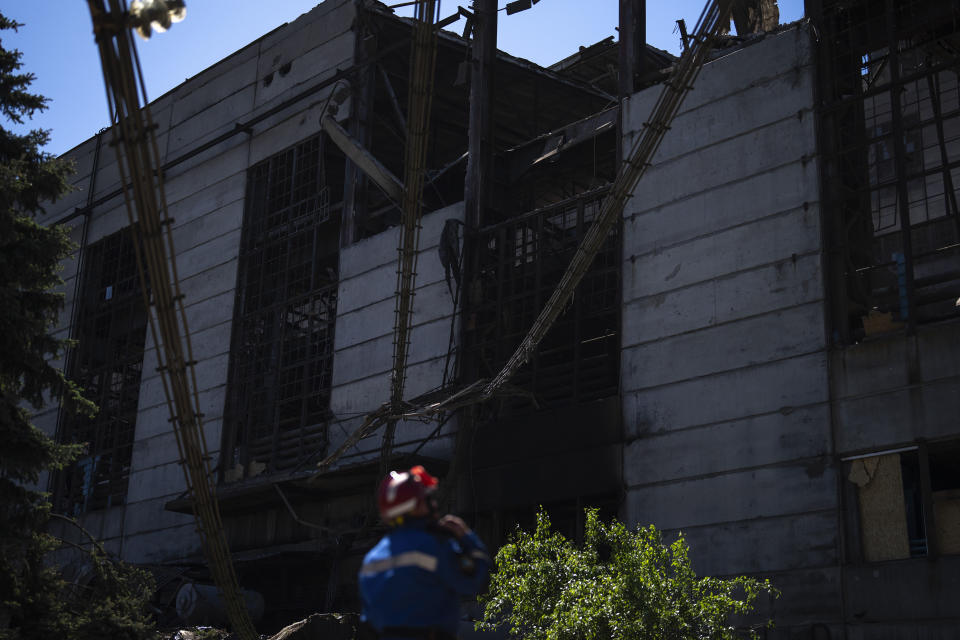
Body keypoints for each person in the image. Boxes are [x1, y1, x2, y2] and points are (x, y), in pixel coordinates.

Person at [358, 465, 490, 640]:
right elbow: (475, 580)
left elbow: (369, 620)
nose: (434, 504)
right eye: (428, 499)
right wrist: (466, 537)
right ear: (416, 506)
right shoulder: (435, 546)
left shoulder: (371, 559)